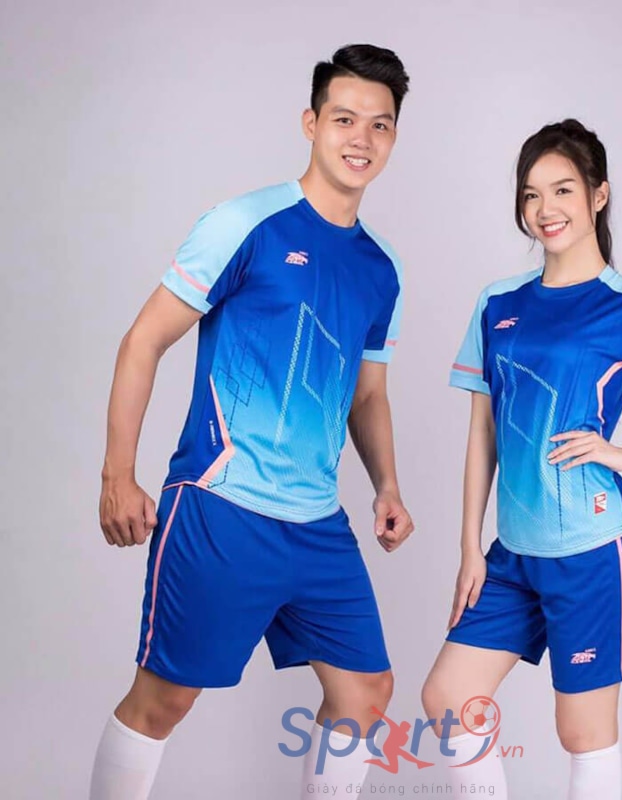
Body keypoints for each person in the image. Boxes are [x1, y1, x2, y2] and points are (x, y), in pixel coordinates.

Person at [90, 44, 414, 800]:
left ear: (394, 137)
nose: (361, 139)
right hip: (221, 506)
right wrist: (117, 475)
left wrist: (388, 486)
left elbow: (367, 394)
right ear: (311, 123)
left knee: (366, 692)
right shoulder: (246, 222)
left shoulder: (381, 268)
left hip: (316, 520)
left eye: (379, 124)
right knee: (163, 702)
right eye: (344, 119)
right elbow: (143, 340)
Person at [421, 119, 622, 799]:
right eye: (531, 194)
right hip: (512, 551)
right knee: (449, 698)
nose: (544, 209)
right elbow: (483, 433)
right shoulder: (497, 303)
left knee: (582, 734)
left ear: (598, 195)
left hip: (591, 548)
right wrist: (470, 548)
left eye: (562, 189)